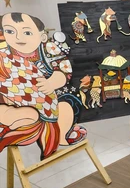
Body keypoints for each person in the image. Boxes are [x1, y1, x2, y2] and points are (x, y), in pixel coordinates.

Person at [0, 13, 85, 160]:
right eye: (10, 31)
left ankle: (63, 134)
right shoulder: (4, 54)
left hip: (52, 94)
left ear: (42, 37)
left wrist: (51, 83)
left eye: (27, 32)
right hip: (16, 97)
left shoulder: (49, 50)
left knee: (68, 101)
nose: (18, 37)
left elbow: (63, 71)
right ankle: (9, 123)